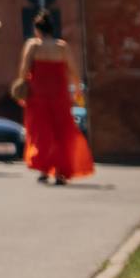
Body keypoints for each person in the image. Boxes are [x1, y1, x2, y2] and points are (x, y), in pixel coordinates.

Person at [17, 10, 94, 186]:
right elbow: (73, 71)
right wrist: (77, 92)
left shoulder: (33, 45)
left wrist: (22, 88)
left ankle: (44, 170)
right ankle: (60, 172)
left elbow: (24, 71)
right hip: (59, 95)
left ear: (37, 29)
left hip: (38, 96)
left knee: (41, 133)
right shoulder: (62, 46)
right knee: (62, 132)